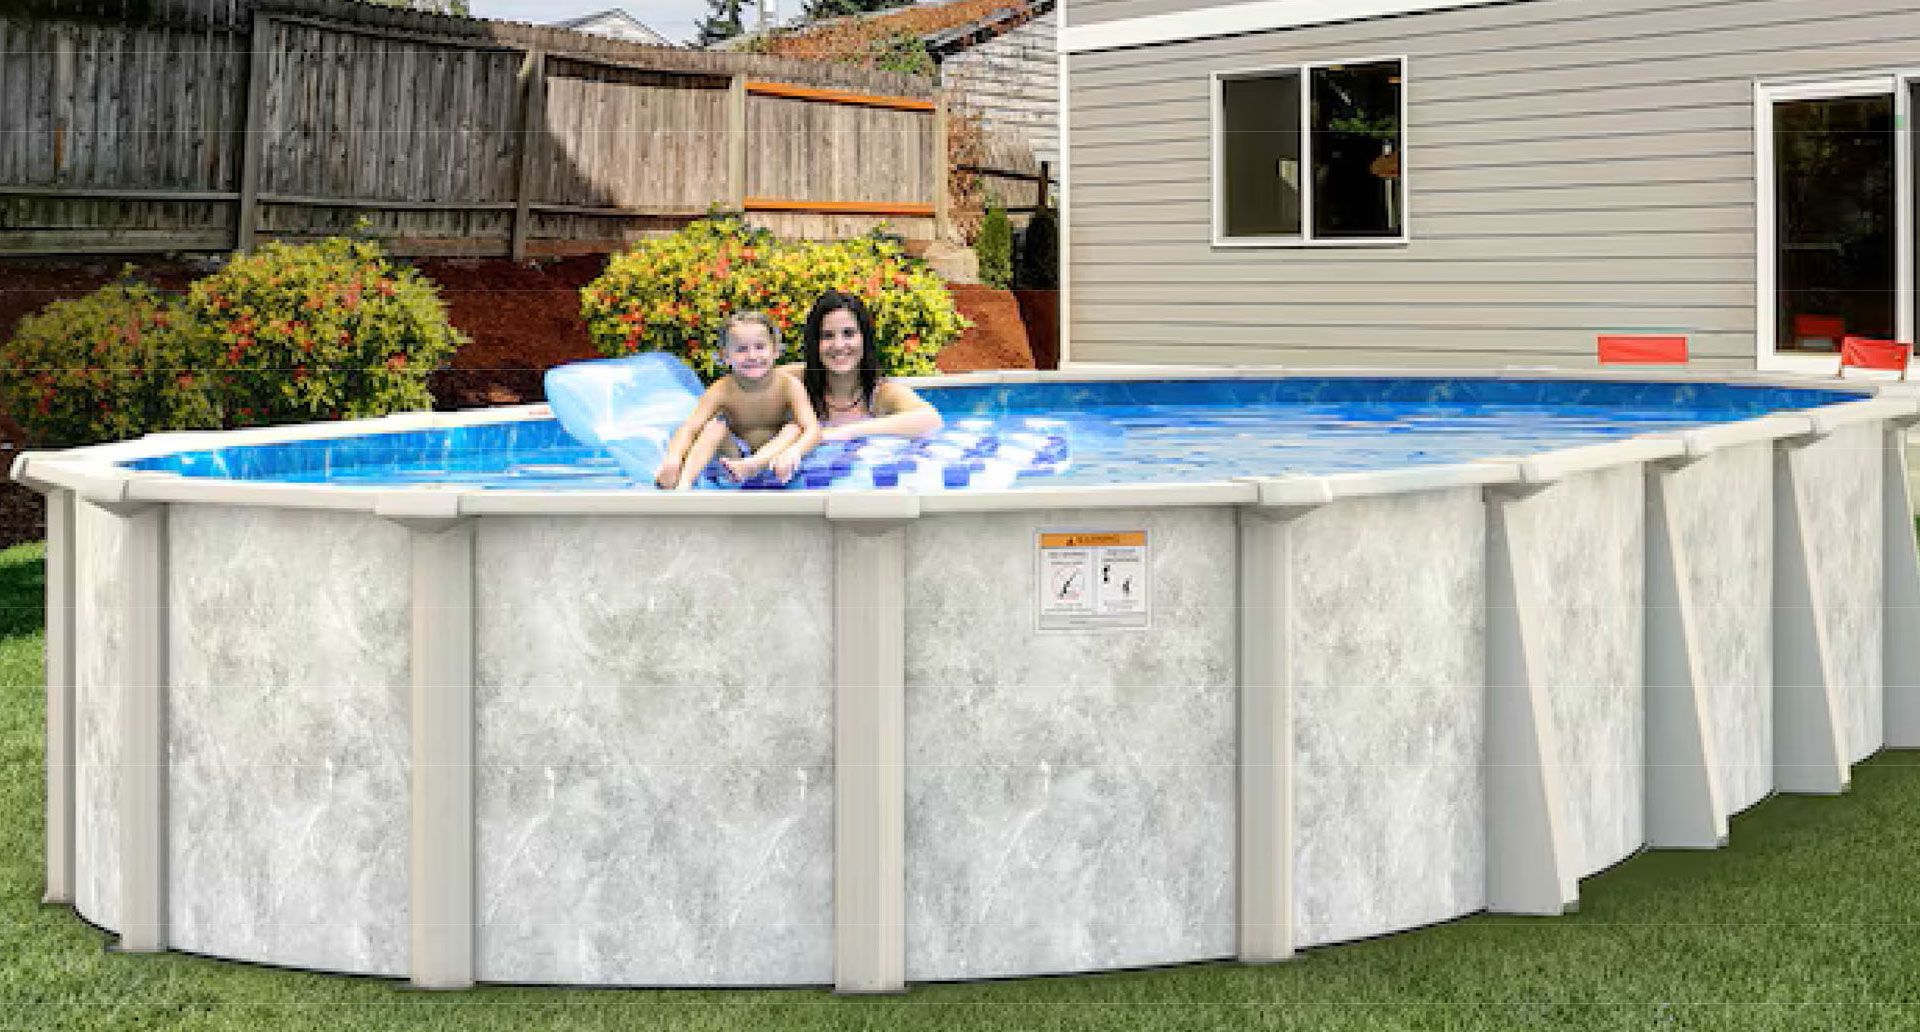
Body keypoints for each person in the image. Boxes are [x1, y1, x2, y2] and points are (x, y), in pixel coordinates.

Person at [653, 311, 819, 490]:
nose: (752, 356)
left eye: (760, 347)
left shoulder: (788, 385)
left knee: (794, 428)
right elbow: (690, 428)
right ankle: (684, 484)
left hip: (776, 462)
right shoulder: (722, 390)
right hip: (734, 462)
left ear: (775, 351)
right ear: (725, 356)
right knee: (714, 427)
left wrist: (795, 451)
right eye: (741, 349)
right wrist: (674, 459)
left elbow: (813, 430)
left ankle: (753, 464)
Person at [788, 290, 943, 440]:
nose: (839, 345)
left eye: (848, 333)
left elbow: (930, 420)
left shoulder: (881, 395)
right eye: (827, 336)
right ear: (815, 343)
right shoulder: (798, 383)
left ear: (864, 338)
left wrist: (843, 432)